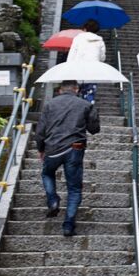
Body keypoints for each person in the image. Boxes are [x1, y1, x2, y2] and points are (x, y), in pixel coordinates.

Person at [36, 80, 100, 236]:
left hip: (53, 147)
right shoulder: (85, 104)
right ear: (77, 89)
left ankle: (52, 200)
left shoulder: (50, 105)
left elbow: (40, 130)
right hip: (75, 148)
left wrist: (41, 148)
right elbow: (94, 129)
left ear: (60, 90)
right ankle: (68, 225)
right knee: (75, 188)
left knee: (47, 173)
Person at [67, 19, 106, 103]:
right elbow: (102, 58)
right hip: (93, 72)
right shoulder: (100, 40)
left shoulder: (78, 38)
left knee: (75, 94)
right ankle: (88, 110)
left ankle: (76, 113)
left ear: (84, 28)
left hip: (77, 70)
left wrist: (68, 68)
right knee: (89, 94)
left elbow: (72, 54)